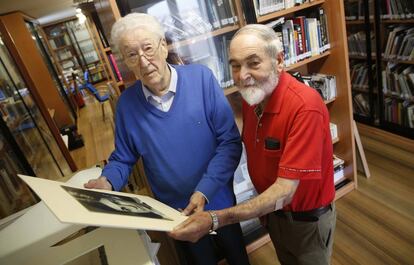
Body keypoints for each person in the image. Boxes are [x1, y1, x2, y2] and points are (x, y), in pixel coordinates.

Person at [84, 13, 250, 265]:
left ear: (163, 46)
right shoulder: (127, 106)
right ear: (126, 63)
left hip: (219, 200)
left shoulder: (201, 79)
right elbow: (123, 157)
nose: (143, 60)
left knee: (238, 257)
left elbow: (229, 142)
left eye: (148, 48)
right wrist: (107, 181)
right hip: (176, 212)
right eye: (131, 54)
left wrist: (204, 191)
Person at [170, 24, 337, 265]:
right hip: (273, 214)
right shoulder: (253, 98)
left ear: (279, 61)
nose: (242, 75)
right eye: (235, 65)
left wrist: (215, 219)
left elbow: (285, 190)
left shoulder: (305, 107)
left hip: (306, 224)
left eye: (253, 63)